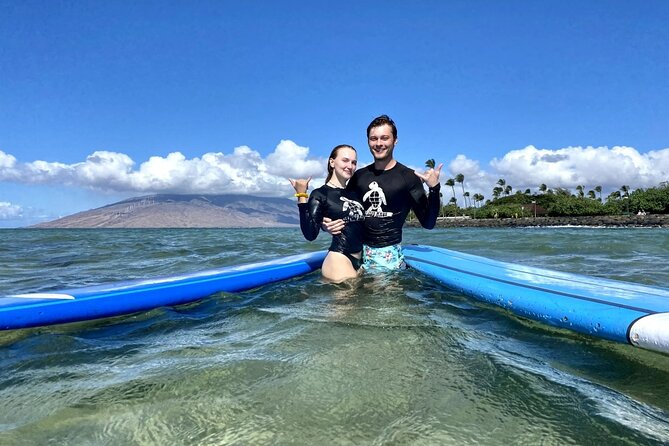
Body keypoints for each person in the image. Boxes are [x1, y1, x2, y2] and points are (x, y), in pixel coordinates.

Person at [323, 115, 442, 270]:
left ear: (395, 140)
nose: (379, 143)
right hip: (354, 253)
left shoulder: (409, 177)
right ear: (368, 141)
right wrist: (325, 225)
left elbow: (428, 223)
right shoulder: (358, 176)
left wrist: (434, 188)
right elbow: (342, 212)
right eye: (373, 139)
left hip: (387, 257)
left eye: (384, 138)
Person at [289, 145, 365, 282]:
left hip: (360, 259)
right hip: (339, 259)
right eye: (345, 160)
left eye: (354, 162)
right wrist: (302, 195)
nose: (350, 166)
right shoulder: (321, 194)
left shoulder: (355, 193)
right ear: (332, 162)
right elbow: (310, 234)